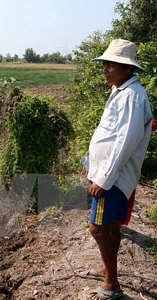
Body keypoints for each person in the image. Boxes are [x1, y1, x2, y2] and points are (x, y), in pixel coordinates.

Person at [81, 39, 152, 300]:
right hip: (109, 173)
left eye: (113, 64)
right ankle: (107, 267)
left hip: (112, 177)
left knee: (97, 228)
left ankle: (112, 284)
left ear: (127, 68)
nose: (106, 68)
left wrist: (104, 177)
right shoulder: (120, 91)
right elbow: (112, 134)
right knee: (111, 227)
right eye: (106, 63)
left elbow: (125, 141)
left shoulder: (132, 97)